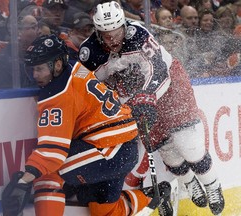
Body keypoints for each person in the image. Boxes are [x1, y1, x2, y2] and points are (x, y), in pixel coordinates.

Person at [78, 1, 225, 215]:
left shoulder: (138, 34)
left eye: (116, 32)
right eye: (106, 34)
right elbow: (90, 88)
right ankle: (189, 181)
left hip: (170, 85)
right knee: (167, 150)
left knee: (188, 143)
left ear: (124, 26)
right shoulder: (89, 53)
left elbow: (159, 70)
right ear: (97, 31)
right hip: (136, 98)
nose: (112, 39)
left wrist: (146, 98)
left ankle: (212, 184)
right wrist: (125, 102)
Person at [1, 34, 172, 216]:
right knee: (105, 211)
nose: (35, 75)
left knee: (48, 171)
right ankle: (154, 196)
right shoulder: (74, 68)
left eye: (40, 69)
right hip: (122, 148)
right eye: (32, 70)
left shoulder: (59, 92)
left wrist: (24, 181)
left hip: (108, 150)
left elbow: (52, 152)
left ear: (57, 64)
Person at [0, 14, 39, 88]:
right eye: (33, 27)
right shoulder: (3, 62)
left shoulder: (37, 54)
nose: (39, 31)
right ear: (18, 32)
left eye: (38, 27)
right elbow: (8, 96)